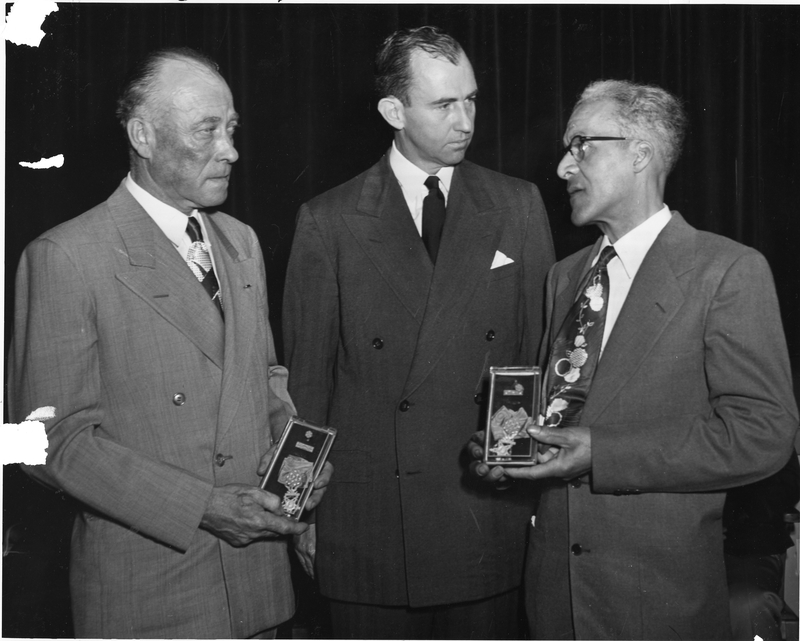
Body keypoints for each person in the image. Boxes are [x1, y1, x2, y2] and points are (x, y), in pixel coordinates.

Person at [8, 47, 331, 639]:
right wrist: (201, 506)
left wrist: (297, 463)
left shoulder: (241, 242)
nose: (230, 150)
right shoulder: (66, 257)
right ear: (143, 135)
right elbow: (48, 443)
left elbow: (264, 378)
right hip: (153, 595)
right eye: (206, 130)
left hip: (260, 587)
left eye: (231, 129)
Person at [470, 79, 799, 639]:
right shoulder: (563, 277)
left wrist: (602, 453)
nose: (561, 167)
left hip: (658, 603)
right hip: (552, 601)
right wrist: (514, 452)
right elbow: (563, 419)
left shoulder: (728, 271)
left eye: (581, 145)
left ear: (640, 153)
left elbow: (764, 433)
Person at [282, 25, 555, 639]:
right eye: (443, 104)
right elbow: (306, 387)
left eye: (472, 99)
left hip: (485, 515)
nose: (465, 121)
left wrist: (536, 494)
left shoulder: (518, 205)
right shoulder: (327, 221)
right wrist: (299, 513)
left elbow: (535, 362)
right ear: (393, 110)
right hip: (370, 526)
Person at [724, 451, 800, 641]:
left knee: (747, 605)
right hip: (681, 546)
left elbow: (787, 489)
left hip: (746, 547)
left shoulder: (765, 429)